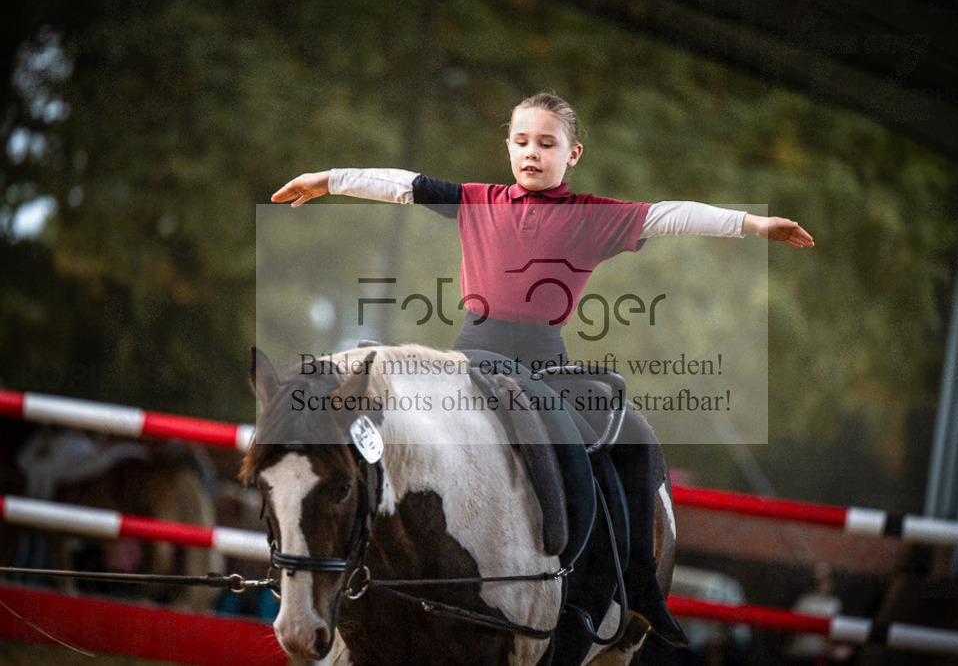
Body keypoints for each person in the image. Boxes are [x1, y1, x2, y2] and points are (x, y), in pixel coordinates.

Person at [272, 92, 814, 651]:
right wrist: (327, 179)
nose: (532, 153)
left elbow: (670, 214)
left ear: (572, 153)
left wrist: (752, 224)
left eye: (547, 144)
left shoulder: (592, 217)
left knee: (626, 435)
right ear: (507, 146)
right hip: (467, 360)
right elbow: (403, 183)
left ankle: (626, 589)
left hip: (542, 369)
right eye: (522, 141)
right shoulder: (476, 200)